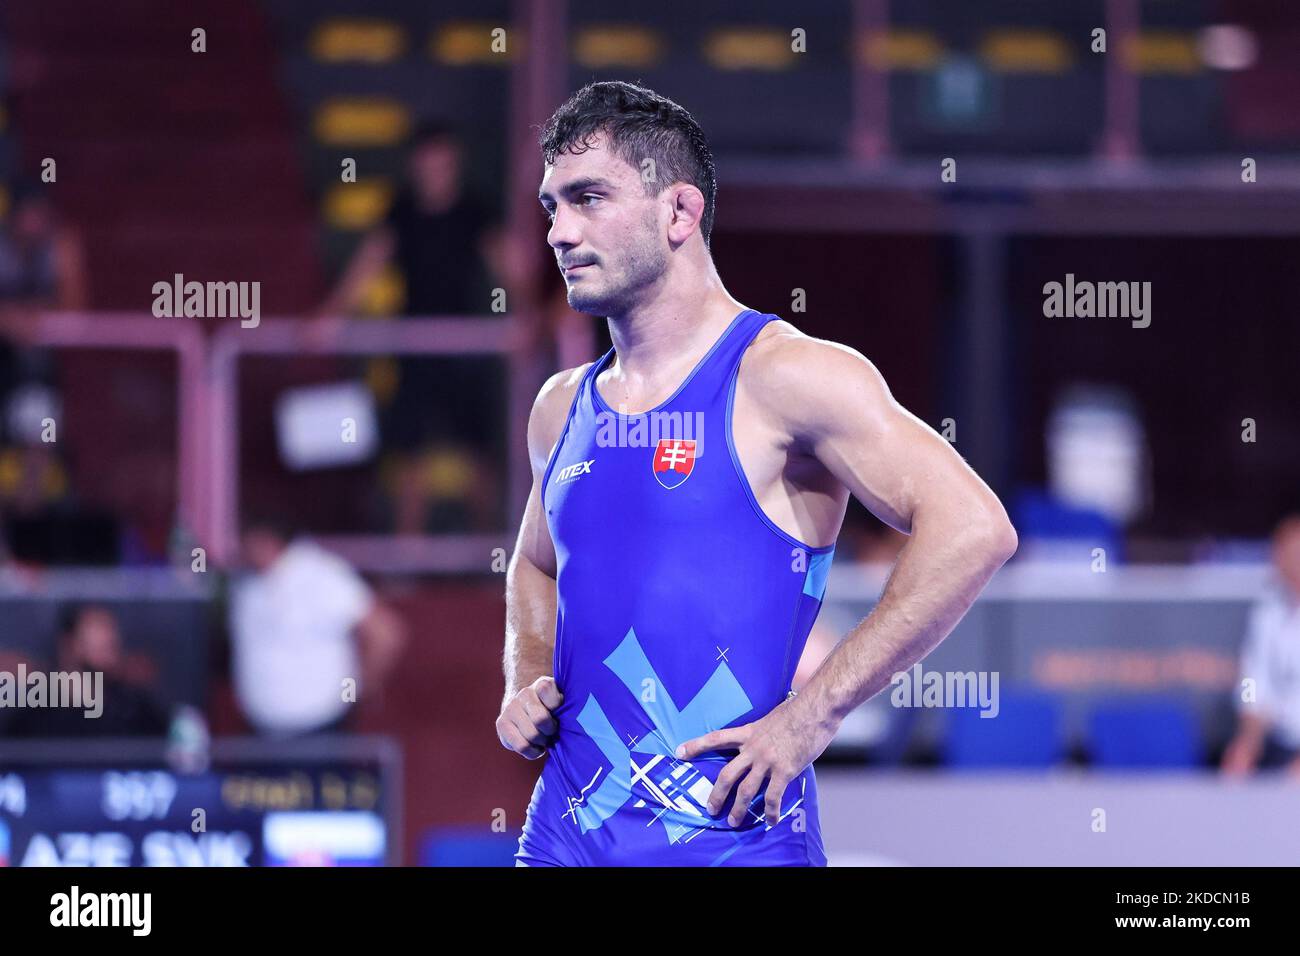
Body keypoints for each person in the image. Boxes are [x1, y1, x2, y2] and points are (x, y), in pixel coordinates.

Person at [498, 81, 1018, 867]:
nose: (560, 233)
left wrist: (814, 716)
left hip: (734, 839)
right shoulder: (560, 406)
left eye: (588, 198)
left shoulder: (790, 377)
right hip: (566, 837)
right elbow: (535, 564)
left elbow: (976, 528)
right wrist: (524, 673)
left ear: (679, 212)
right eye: (551, 208)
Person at [314, 122, 507, 534]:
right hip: (413, 348)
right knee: (410, 454)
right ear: (415, 165)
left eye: (443, 163)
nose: (434, 172)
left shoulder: (475, 211)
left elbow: (508, 265)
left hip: (465, 350)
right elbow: (368, 265)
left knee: (478, 453)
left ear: (454, 164)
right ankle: (409, 559)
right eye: (427, 163)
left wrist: (530, 314)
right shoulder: (400, 211)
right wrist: (330, 315)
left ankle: (494, 558)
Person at [229, 515, 406, 737]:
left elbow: (386, 633)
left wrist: (353, 691)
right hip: (259, 728)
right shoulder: (245, 581)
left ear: (266, 540)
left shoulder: (322, 574)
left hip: (322, 726)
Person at [4, 604, 171, 738]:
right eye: (97, 627)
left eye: (111, 630)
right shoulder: (36, 718)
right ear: (69, 644)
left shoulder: (134, 711)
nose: (109, 638)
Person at [1221, 514, 1300, 777]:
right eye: (1286, 553)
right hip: (1278, 742)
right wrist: (1248, 740)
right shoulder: (1266, 614)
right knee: (1236, 771)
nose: (1293, 563)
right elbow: (1252, 683)